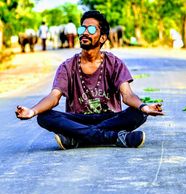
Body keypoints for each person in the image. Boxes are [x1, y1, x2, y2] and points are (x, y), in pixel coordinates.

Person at [16, 10, 164, 150]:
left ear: (103, 37)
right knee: (43, 116)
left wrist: (144, 107)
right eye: (82, 29)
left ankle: (76, 138)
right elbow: (54, 97)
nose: (85, 33)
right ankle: (114, 137)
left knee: (138, 113)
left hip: (110, 119)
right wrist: (32, 111)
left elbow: (128, 95)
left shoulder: (115, 63)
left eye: (91, 30)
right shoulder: (67, 66)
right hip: (77, 120)